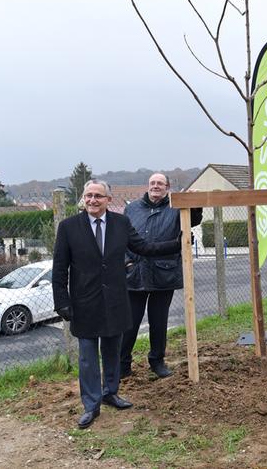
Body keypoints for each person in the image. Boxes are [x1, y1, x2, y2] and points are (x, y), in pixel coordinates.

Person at [52, 179, 181, 429]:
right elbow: (59, 269)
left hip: (115, 301)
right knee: (88, 357)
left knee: (112, 351)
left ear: (108, 200)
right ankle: (91, 405)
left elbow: (143, 247)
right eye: (89, 195)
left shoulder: (121, 223)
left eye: (98, 196)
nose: (92, 200)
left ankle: (110, 392)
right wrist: (62, 301)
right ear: (83, 198)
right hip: (84, 303)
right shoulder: (69, 227)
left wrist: (177, 244)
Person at [120, 173, 202, 379]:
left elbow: (193, 220)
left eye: (160, 183)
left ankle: (157, 361)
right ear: (148, 186)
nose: (156, 186)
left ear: (167, 187)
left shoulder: (175, 207)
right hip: (135, 274)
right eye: (152, 183)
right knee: (129, 322)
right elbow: (120, 238)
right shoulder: (132, 209)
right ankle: (122, 365)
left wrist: (194, 202)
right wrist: (127, 263)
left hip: (164, 273)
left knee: (159, 321)